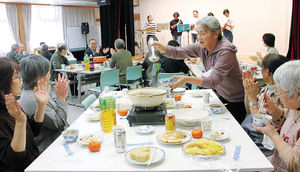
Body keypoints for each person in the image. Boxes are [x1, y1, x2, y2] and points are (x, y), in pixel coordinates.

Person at [151, 16, 246, 124]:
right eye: (198, 33)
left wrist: (187, 79)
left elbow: (212, 81)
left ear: (216, 34)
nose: (199, 37)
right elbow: (179, 52)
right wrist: (162, 47)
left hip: (237, 101)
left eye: (203, 33)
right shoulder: (204, 46)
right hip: (223, 96)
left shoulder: (226, 51)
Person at [0, 57, 49, 171]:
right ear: (4, 82)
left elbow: (33, 130)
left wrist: (41, 105)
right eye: (16, 76)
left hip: (34, 162)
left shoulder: (10, 104)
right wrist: (20, 122)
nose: (20, 79)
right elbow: (13, 160)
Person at [253, 60, 300, 172]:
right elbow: (284, 118)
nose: (278, 96)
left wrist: (273, 134)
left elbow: (295, 163)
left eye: (281, 93)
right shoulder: (294, 108)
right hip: (275, 163)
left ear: (298, 94)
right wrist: (272, 108)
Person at [19, 55, 70, 152]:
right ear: (40, 77)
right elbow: (59, 123)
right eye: (48, 72)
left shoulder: (36, 91)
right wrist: (61, 98)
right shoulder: (34, 99)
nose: (49, 74)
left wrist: (59, 98)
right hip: (53, 147)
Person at [242, 54, 288, 156]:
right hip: (254, 131)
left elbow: (259, 121)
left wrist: (252, 98)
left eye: (261, 68)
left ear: (267, 72)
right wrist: (248, 92)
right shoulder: (265, 89)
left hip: (264, 140)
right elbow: (248, 110)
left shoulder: (281, 94)